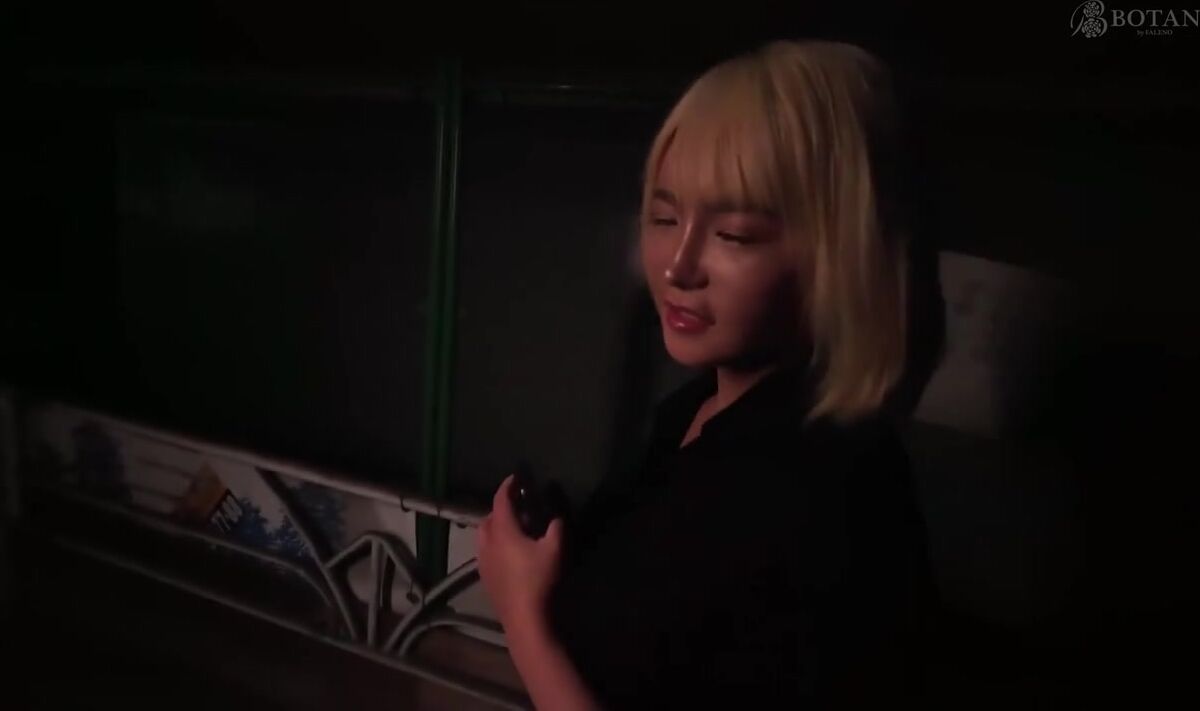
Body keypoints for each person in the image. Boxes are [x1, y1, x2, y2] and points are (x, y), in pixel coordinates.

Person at [476, 38, 938, 709]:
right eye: (664, 217)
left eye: (734, 234)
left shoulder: (828, 495)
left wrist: (524, 618)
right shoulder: (696, 412)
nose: (677, 264)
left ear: (843, 254)